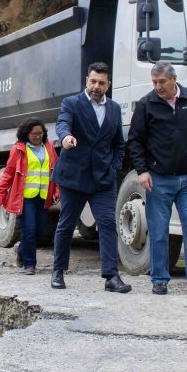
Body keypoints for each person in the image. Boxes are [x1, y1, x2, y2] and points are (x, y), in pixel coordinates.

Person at [127, 61, 187, 295]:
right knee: (158, 230)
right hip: (159, 178)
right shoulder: (147, 104)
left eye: (162, 82)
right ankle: (159, 279)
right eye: (154, 82)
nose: (158, 86)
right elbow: (135, 140)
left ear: (174, 79)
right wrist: (142, 170)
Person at [50, 62, 131, 293]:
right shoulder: (72, 103)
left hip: (102, 179)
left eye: (101, 83)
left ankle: (111, 277)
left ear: (108, 84)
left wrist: (113, 166)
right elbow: (63, 124)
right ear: (87, 80)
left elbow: (118, 143)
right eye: (93, 81)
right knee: (66, 224)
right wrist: (65, 138)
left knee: (107, 224)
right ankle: (57, 271)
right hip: (74, 176)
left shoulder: (114, 109)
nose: (96, 86)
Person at [0, 118, 59, 275]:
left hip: (43, 196)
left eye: (40, 133)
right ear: (26, 134)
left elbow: (56, 171)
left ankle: (20, 248)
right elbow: (9, 173)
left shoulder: (49, 147)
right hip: (25, 198)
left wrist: (57, 191)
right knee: (29, 229)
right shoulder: (19, 149)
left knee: (39, 229)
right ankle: (30, 264)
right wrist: (0, 195)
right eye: (34, 134)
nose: (37, 136)